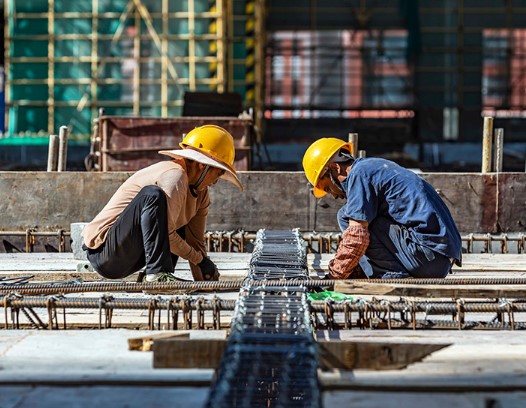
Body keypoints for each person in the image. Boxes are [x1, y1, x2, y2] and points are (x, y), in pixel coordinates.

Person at [82, 124, 243, 282]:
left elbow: (196, 243)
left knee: (177, 221)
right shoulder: (174, 175)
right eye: (218, 172)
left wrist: (204, 277)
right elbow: (167, 234)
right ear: (203, 166)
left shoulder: (201, 194)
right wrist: (200, 260)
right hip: (106, 254)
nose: (216, 182)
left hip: (132, 258)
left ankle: (159, 276)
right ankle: (157, 274)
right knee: (152, 195)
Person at [302, 137, 462, 280]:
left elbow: (357, 238)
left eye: (328, 188)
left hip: (428, 258)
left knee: (346, 215)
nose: (335, 196)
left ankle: (390, 275)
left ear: (335, 168)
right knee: (362, 213)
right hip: (438, 258)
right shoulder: (372, 168)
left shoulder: (360, 174)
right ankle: (385, 271)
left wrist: (334, 276)